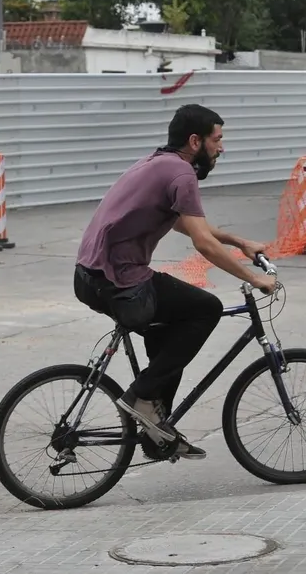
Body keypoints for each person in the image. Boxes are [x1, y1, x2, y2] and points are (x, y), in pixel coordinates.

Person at [73, 103, 277, 460]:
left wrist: (240, 242)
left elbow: (186, 223)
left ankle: (157, 433)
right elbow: (203, 244)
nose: (222, 148)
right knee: (205, 308)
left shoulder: (157, 163)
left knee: (171, 341)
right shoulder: (182, 174)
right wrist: (253, 278)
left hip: (91, 276)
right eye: (217, 139)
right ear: (195, 141)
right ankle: (142, 396)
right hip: (120, 282)